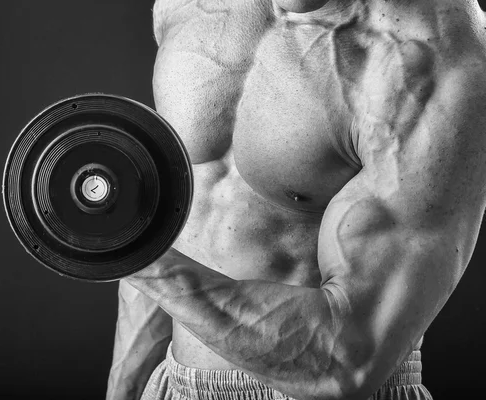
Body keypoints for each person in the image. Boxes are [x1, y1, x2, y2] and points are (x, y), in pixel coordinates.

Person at [106, 1, 486, 399]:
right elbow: (173, 219)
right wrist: (124, 389)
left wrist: (116, 251)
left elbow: (344, 361)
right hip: (177, 385)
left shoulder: (433, 54)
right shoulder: (183, 6)